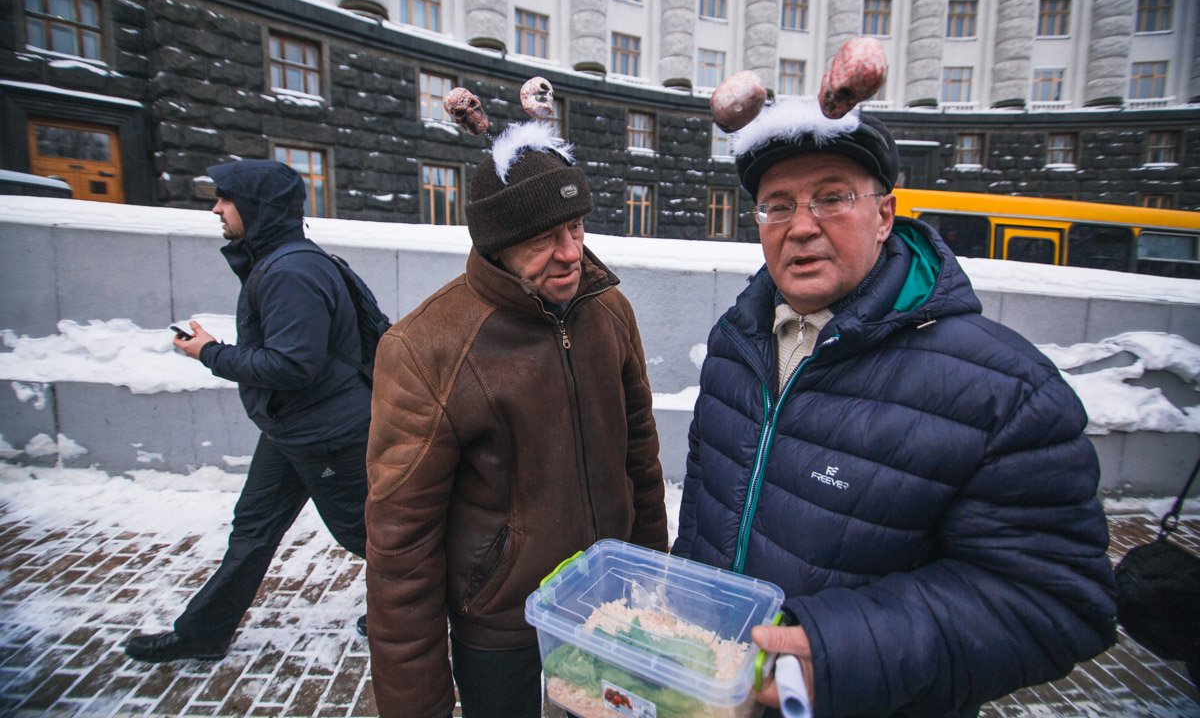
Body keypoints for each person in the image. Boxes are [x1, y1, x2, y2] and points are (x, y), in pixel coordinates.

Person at [672, 98, 1117, 717]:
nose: (800, 226)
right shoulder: (734, 343)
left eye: (832, 197)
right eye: (777, 205)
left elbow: (1058, 604)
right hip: (716, 694)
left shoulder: (1004, 389)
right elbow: (703, 510)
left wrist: (845, 653)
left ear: (884, 216)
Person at [364, 121, 668, 718]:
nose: (572, 252)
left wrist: (650, 583)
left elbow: (640, 457)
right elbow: (401, 546)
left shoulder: (608, 309)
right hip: (504, 625)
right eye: (543, 238)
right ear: (496, 244)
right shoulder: (426, 348)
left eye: (577, 227)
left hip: (611, 606)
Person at [125, 159, 372, 662]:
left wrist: (210, 353)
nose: (217, 208)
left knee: (369, 535)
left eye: (226, 198)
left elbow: (293, 365)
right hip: (292, 428)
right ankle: (204, 632)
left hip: (327, 433)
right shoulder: (283, 261)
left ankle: (437, 606)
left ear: (256, 207)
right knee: (253, 529)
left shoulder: (290, 272)